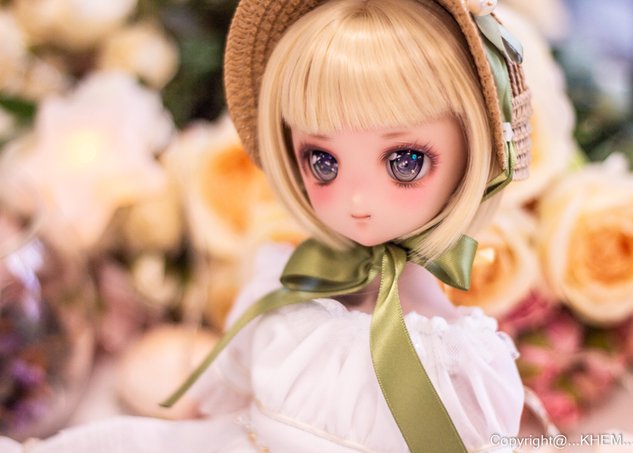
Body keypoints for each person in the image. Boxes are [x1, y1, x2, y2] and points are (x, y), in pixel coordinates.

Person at [6, 0, 531, 451]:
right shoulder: (290, 283)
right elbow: (229, 381)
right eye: (323, 161)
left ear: (474, 152)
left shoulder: (459, 364)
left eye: (405, 161)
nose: (356, 200)